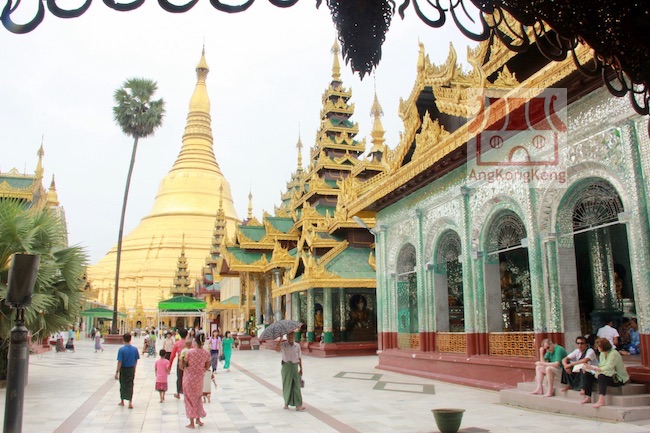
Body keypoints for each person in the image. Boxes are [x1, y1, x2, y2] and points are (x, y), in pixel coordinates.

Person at [581, 337, 630, 408]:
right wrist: (590, 369)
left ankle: (601, 400)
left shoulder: (614, 354)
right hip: (607, 374)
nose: (597, 348)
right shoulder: (602, 353)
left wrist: (594, 368)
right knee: (587, 373)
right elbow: (601, 366)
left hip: (616, 378)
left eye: (599, 347)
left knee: (602, 376)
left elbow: (608, 367)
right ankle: (588, 396)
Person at [182, 333, 211, 429]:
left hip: (189, 378)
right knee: (198, 397)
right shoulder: (206, 353)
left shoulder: (189, 352)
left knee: (189, 399)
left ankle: (191, 422)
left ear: (195, 341)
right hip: (199, 378)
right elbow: (207, 366)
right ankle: (198, 419)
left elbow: (184, 364)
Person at [276, 331, 305, 411]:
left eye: (292, 335)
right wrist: (280, 338)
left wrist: (301, 368)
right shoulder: (283, 345)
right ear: (287, 336)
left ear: (294, 336)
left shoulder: (297, 346)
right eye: (289, 336)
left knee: (296, 385)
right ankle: (286, 402)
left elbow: (299, 358)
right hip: (286, 366)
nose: (290, 337)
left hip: (295, 366)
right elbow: (277, 349)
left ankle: (298, 405)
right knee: (287, 384)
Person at [115, 333, 140, 409]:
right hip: (131, 368)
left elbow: (120, 361)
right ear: (130, 339)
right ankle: (130, 402)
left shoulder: (121, 350)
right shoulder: (134, 349)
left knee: (122, 384)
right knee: (130, 384)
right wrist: (134, 368)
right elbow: (136, 360)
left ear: (123, 339)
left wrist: (117, 372)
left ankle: (122, 400)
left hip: (123, 369)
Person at [170, 328, 189, 399]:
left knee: (179, 377)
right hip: (189, 361)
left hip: (180, 361)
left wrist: (170, 365)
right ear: (187, 334)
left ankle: (178, 393)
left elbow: (172, 355)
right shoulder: (190, 343)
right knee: (188, 377)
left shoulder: (177, 343)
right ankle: (187, 393)